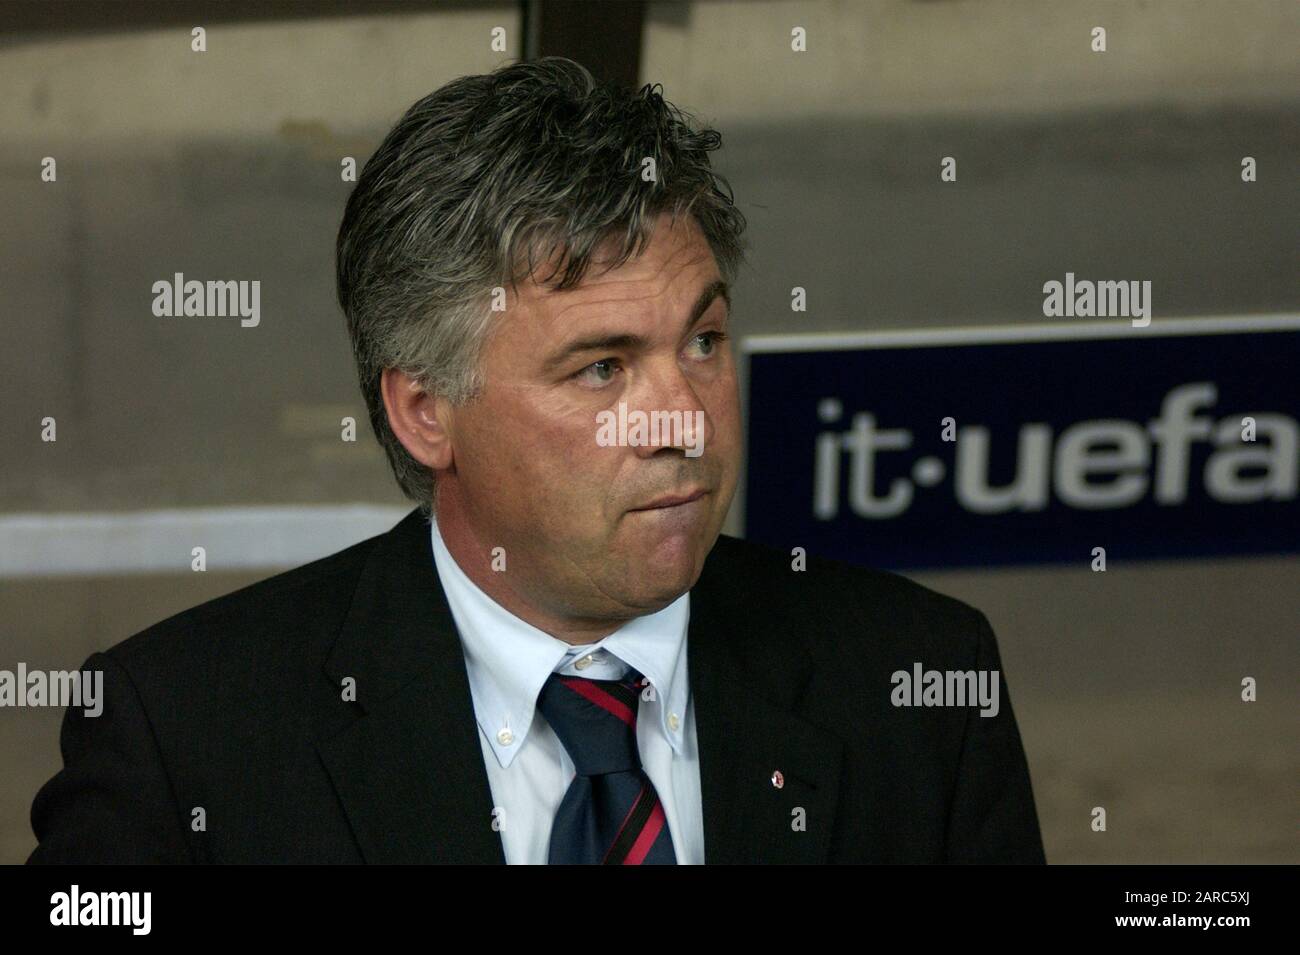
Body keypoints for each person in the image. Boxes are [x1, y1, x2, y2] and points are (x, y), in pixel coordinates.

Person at [28, 57, 1044, 864]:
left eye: (701, 342)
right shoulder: (190, 738)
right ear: (427, 411)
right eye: (602, 368)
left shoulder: (918, 684)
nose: (681, 419)